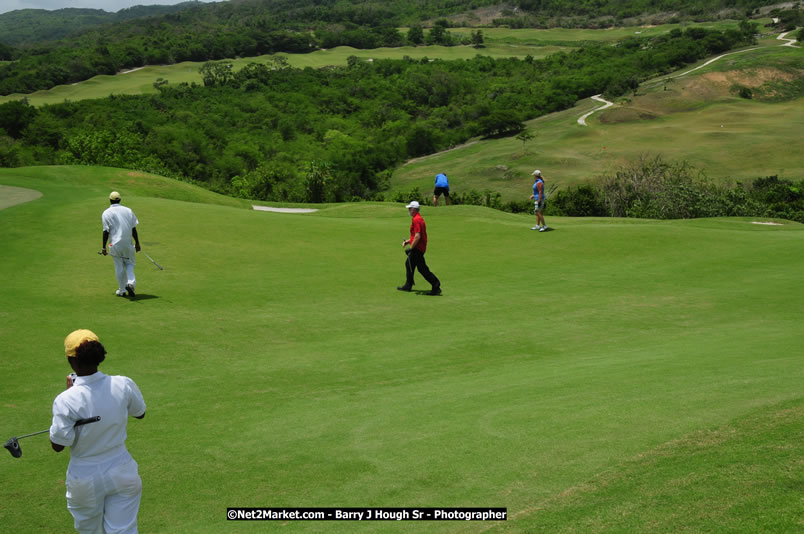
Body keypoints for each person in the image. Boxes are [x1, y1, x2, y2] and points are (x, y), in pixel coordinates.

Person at [50, 329, 146, 534]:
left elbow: (58, 445)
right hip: (122, 470)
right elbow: (140, 413)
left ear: (71, 361)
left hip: (84, 477)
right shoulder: (123, 383)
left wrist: (70, 396)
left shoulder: (66, 400)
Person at [102, 191, 141, 298]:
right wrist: (137, 243)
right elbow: (133, 228)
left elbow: (106, 231)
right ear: (120, 199)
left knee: (119, 266)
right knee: (129, 264)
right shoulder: (128, 210)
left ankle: (122, 290)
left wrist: (103, 247)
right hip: (128, 244)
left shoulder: (106, 213)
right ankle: (131, 284)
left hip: (114, 245)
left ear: (110, 200)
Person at [398, 201, 442, 295]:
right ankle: (408, 284)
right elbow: (415, 236)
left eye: (410, 208)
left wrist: (411, 248)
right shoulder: (418, 218)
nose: (409, 210)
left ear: (414, 209)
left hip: (418, 248)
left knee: (422, 269)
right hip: (418, 247)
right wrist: (408, 242)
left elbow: (418, 236)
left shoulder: (416, 220)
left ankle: (436, 285)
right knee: (409, 264)